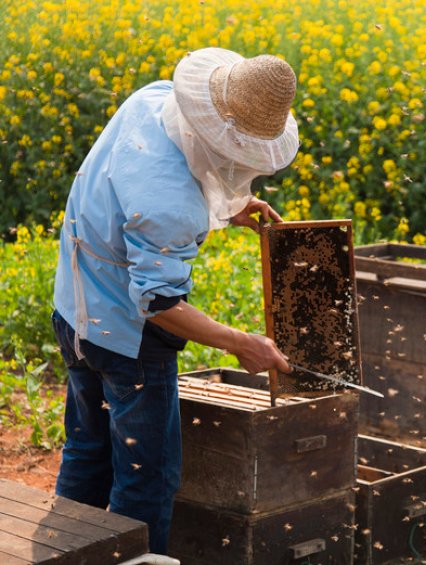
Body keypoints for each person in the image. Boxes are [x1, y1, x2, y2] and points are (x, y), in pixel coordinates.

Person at [51, 47, 298, 554]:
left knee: (88, 449)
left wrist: (226, 207)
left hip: (73, 309)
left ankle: (62, 554)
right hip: (126, 341)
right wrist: (239, 342)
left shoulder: (153, 101)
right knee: (147, 477)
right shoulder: (170, 206)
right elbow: (160, 302)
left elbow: (141, 187)